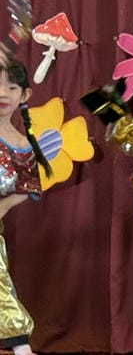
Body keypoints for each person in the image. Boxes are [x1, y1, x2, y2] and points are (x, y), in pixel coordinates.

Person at [0, 58, 50, 355]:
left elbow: (31, 187)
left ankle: (21, 347)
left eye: (11, 87)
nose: (2, 93)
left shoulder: (22, 145)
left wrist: (4, 206)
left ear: (24, 95)